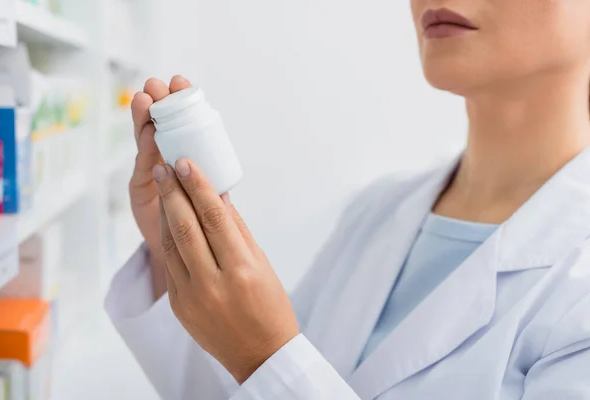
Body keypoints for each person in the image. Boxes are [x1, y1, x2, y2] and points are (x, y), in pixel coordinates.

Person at [105, 0, 590, 399]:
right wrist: (176, 251)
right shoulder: (378, 211)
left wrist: (267, 356)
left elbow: (269, 367)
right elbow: (236, 389)